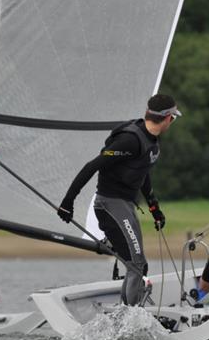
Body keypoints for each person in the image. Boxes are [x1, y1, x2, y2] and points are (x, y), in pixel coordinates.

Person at [57, 94, 181, 305]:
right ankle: (130, 317)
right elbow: (92, 166)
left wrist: (154, 208)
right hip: (109, 205)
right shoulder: (129, 140)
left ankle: (127, 312)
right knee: (136, 264)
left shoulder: (151, 141)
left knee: (138, 264)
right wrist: (68, 201)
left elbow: (143, 172)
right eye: (174, 117)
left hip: (126, 207)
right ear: (168, 118)